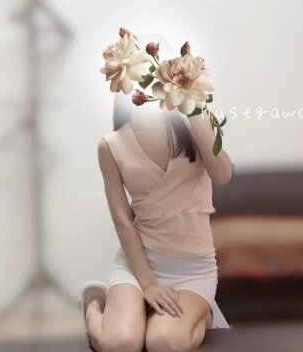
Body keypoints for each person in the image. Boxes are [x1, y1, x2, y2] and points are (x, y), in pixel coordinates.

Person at [81, 91, 234, 352]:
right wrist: (149, 284)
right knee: (121, 344)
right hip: (139, 266)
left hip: (192, 271)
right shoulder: (111, 145)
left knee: (162, 342)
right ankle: (96, 307)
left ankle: (198, 316)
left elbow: (222, 175)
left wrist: (193, 111)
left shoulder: (195, 124)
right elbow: (123, 221)